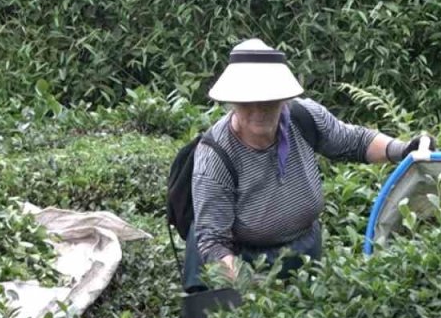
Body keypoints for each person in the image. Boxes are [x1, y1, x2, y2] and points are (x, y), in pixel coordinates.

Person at [183, 38, 427, 292]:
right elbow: (213, 243)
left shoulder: (303, 118)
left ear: (282, 99)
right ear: (233, 102)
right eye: (247, 101)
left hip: (303, 252)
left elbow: (354, 141)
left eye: (266, 99)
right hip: (242, 260)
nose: (258, 109)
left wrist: (403, 149)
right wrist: (252, 288)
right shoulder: (216, 155)